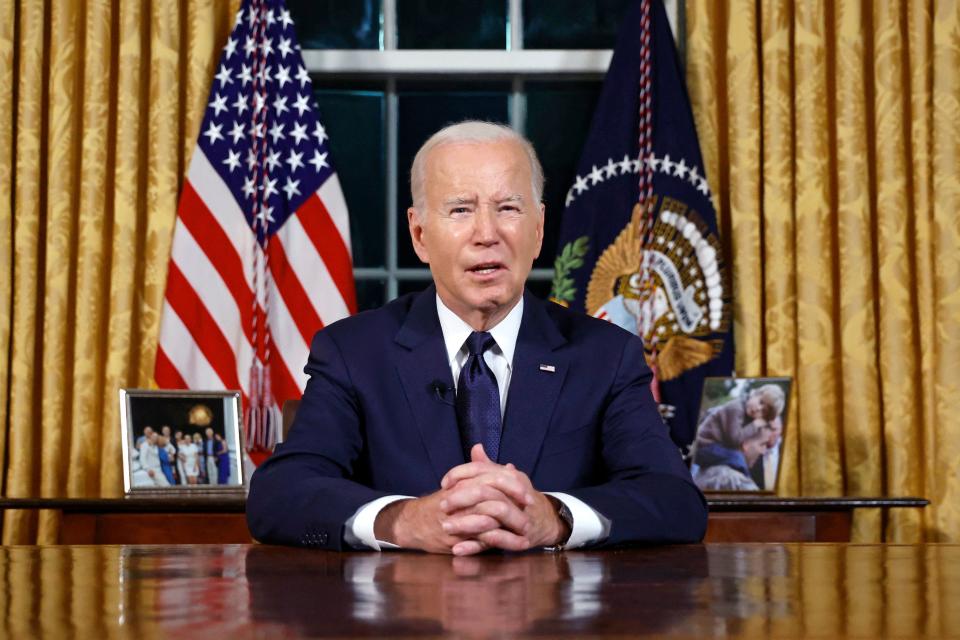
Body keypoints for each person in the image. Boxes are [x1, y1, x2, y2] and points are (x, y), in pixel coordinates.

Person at [247, 121, 707, 553]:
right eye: (461, 210)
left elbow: (674, 500)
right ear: (420, 234)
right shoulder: (354, 352)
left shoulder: (606, 355)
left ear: (539, 228)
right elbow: (279, 494)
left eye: (508, 208)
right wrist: (403, 521)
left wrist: (555, 517)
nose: (487, 234)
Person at [692, 384, 785, 490]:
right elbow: (735, 439)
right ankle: (745, 478)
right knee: (736, 457)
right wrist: (755, 424)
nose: (758, 409)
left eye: (763, 411)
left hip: (712, 449)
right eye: (761, 402)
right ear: (754, 393)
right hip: (704, 446)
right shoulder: (735, 408)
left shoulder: (746, 413)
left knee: (735, 456)